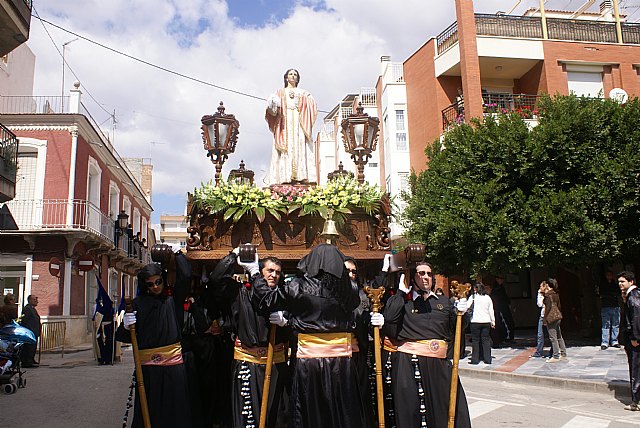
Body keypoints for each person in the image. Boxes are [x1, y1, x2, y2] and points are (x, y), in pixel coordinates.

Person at [253, 244, 365, 427]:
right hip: (342, 363)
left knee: (309, 411)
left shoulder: (298, 286)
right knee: (342, 410)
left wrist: (256, 275)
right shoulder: (350, 289)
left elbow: (267, 301)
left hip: (309, 362)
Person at [375, 261, 471, 428]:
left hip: (439, 365)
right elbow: (390, 320)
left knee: (445, 408)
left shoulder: (444, 302)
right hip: (409, 363)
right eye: (421, 273)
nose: (426, 277)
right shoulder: (404, 302)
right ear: (412, 278)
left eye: (428, 273)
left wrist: (462, 313)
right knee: (411, 411)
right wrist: (400, 294)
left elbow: (457, 328)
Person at [211, 249, 290, 428]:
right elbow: (216, 279)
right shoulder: (240, 293)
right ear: (260, 271)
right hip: (248, 363)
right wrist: (233, 256)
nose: (274, 275)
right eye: (270, 271)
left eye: (278, 272)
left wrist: (287, 320)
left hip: (275, 363)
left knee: (277, 415)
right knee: (247, 417)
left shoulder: (284, 295)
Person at [115, 251, 193, 428]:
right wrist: (126, 326)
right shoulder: (136, 304)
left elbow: (186, 275)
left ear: (163, 280)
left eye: (158, 282)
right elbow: (123, 336)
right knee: (149, 410)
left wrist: (176, 254)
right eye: (150, 284)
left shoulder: (173, 300)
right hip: (149, 370)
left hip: (174, 367)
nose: (155, 287)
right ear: (145, 286)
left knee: (176, 410)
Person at [265, 68, 318, 185]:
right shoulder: (279, 92)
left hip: (299, 122)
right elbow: (273, 111)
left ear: (298, 78)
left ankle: (300, 176)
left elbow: (312, 105)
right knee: (286, 148)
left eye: (295, 74)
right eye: (290, 74)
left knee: (300, 146)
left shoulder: (304, 93)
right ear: (286, 77)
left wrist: (305, 100)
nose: (293, 76)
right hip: (284, 122)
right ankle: (284, 177)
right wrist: (272, 104)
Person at [619, 270, 640, 411]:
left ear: (631, 282)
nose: (620, 284)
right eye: (619, 282)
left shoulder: (633, 297)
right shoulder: (632, 295)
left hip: (635, 339)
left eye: (622, 281)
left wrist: (635, 337)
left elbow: (636, 318)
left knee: (636, 368)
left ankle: (636, 401)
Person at [467, 282, 495, 365]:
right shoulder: (487, 298)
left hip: (475, 321)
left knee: (475, 341)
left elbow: (467, 307)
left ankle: (475, 359)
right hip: (486, 321)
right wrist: (493, 321)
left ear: (475, 289)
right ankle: (487, 359)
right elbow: (491, 310)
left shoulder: (473, 297)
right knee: (485, 340)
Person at [542, 279, 567, 363]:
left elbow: (547, 308)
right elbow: (559, 306)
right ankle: (563, 354)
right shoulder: (556, 294)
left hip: (551, 318)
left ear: (548, 285)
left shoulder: (548, 295)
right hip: (557, 317)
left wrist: (545, 319)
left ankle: (555, 355)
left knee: (553, 337)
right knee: (559, 336)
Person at [599, 270, 621, 350]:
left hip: (615, 306)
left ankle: (614, 341)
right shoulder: (603, 285)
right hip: (605, 306)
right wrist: (611, 295)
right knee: (605, 325)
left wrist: (609, 295)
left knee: (615, 324)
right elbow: (601, 294)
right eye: (607, 275)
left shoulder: (615, 285)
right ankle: (605, 342)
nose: (609, 277)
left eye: (610, 275)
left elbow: (618, 293)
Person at [491, 275, 515, 344]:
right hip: (500, 308)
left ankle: (507, 337)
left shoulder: (501, 287)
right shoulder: (496, 289)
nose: (502, 280)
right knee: (504, 322)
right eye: (500, 278)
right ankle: (505, 337)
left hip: (504, 307)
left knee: (508, 322)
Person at [20, 295, 40, 368]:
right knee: (29, 348)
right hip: (30, 332)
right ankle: (27, 362)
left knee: (33, 348)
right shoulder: (27, 309)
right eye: (34, 299)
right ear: (30, 300)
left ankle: (31, 360)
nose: (36, 301)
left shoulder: (33, 309)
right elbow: (24, 321)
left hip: (34, 332)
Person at [530, 281, 548, 358]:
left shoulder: (549, 294)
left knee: (552, 335)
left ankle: (554, 352)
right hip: (542, 315)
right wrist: (540, 295)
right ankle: (539, 351)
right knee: (540, 334)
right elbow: (539, 304)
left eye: (541, 286)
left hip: (549, 316)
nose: (540, 288)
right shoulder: (540, 293)